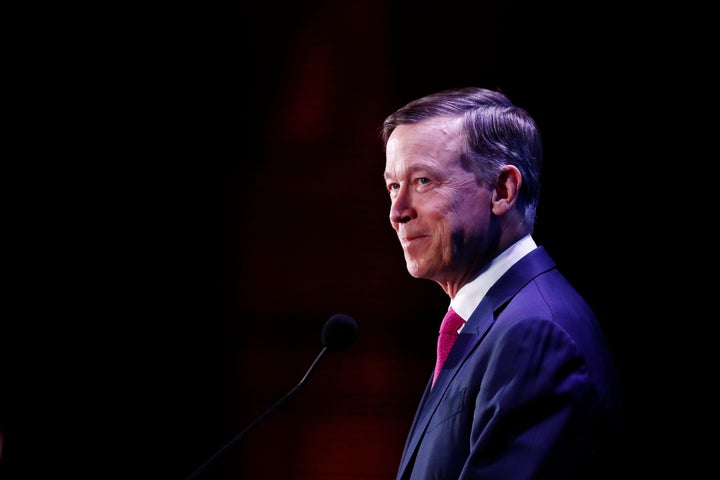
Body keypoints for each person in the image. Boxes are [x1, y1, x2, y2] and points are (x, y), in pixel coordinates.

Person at [381, 87, 624, 480]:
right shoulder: (490, 324)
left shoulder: (534, 335)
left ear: (502, 190)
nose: (398, 212)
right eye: (393, 186)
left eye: (423, 180)